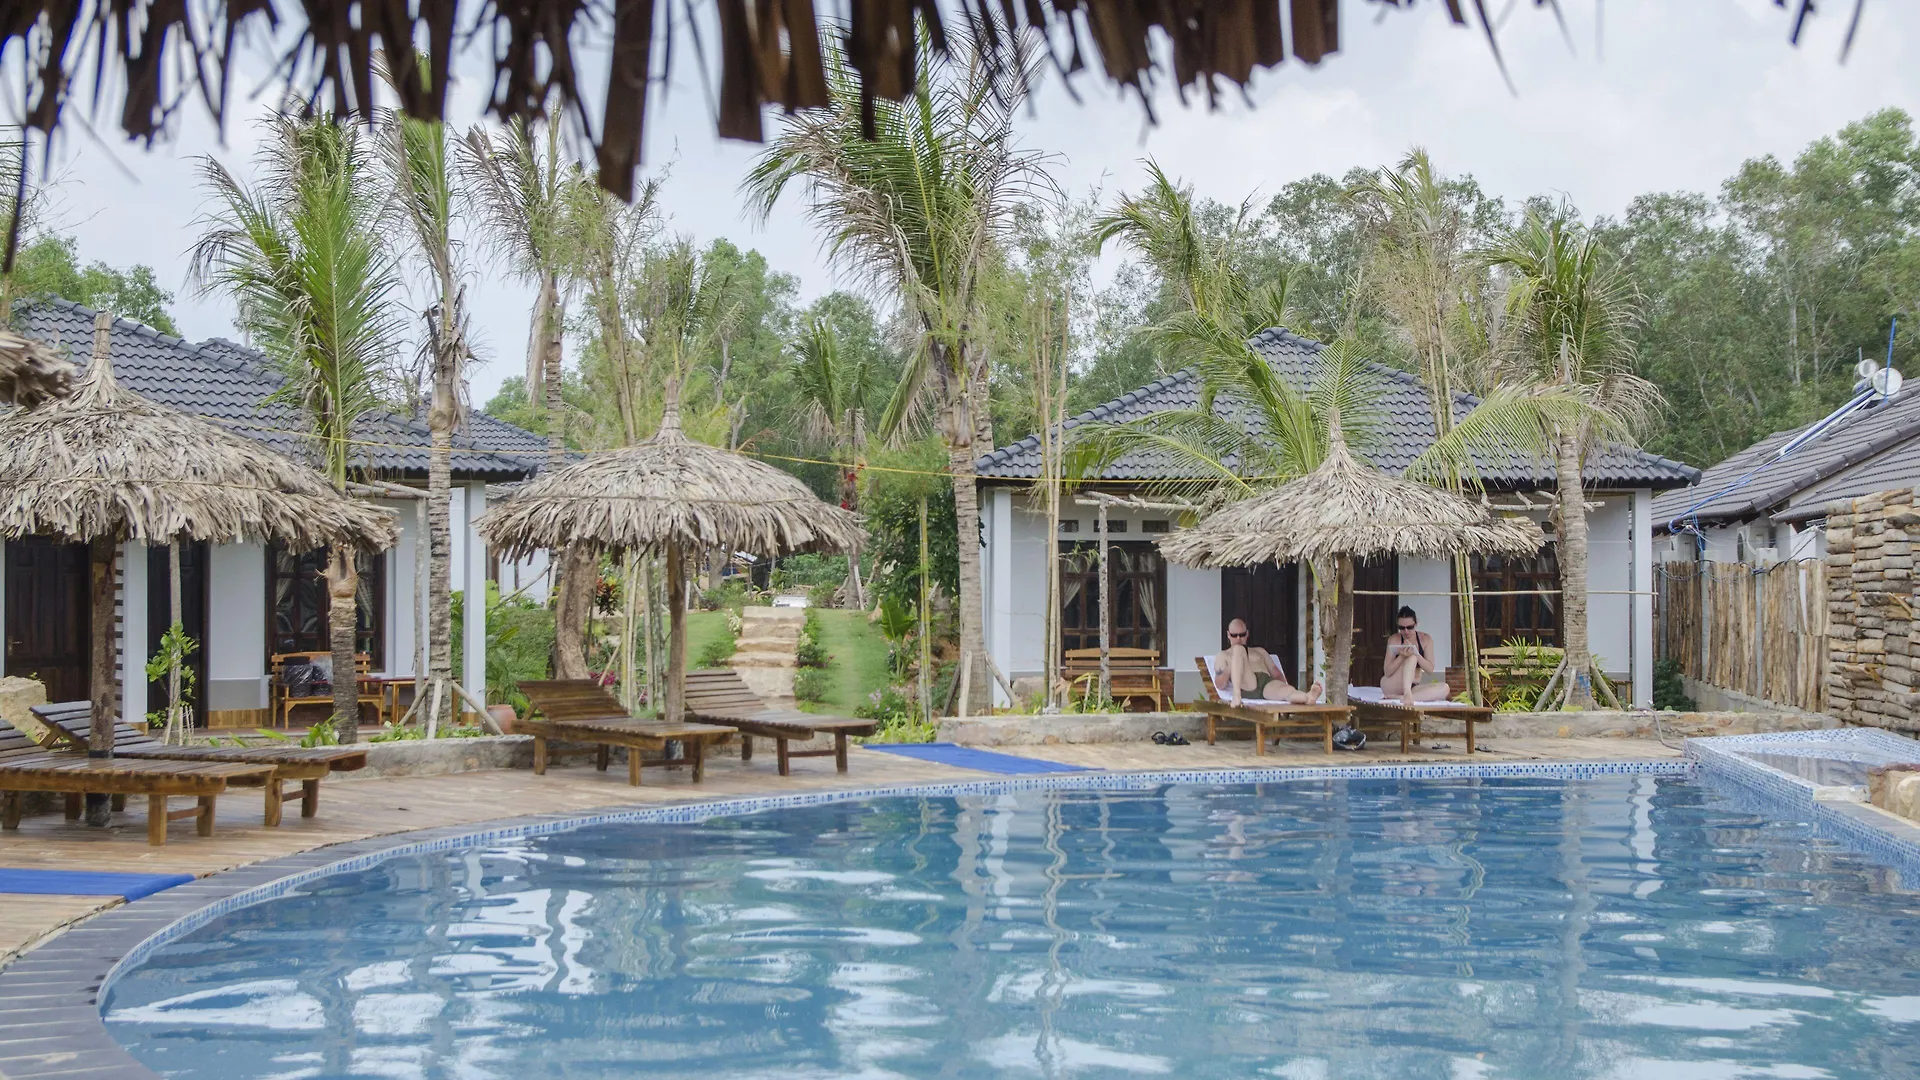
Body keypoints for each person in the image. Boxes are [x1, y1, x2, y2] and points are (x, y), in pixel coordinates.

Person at [1213, 619, 1324, 707]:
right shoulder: (1223, 655)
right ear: (1228, 635)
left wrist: (1283, 685)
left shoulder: (1259, 651)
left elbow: (1276, 673)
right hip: (1247, 683)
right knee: (1238, 649)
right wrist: (1231, 665)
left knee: (1287, 691)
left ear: (1247, 634)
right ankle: (1236, 696)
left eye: (1242, 635)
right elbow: (1220, 684)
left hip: (1266, 682)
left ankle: (1308, 697)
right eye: (1234, 635)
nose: (1238, 638)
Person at [1382, 606, 1451, 704]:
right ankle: (1406, 694)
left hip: (1413, 685)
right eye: (1401, 628)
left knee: (1444, 688)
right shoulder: (1394, 639)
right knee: (1411, 657)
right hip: (1393, 684)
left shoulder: (1425, 639)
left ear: (1416, 624)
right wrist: (1402, 656)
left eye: (1410, 627)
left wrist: (1416, 653)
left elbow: (1429, 669)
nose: (1406, 631)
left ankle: (1402, 697)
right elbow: (1387, 672)